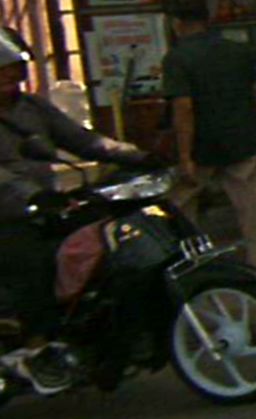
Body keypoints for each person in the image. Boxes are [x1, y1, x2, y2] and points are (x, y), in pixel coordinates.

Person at [0, 26, 161, 394]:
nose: (9, 80)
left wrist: (137, 155)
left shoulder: (33, 107)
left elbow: (84, 141)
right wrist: (32, 196)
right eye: (1, 74)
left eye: (14, 72)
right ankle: (38, 348)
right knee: (32, 261)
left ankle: (105, 329)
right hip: (9, 216)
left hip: (41, 207)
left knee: (105, 234)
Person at [162, 0, 256, 277]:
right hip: (239, 137)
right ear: (208, 20)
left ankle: (189, 261)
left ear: (176, 23)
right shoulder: (236, 51)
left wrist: (184, 155)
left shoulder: (177, 58)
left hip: (202, 142)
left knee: (181, 202)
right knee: (251, 204)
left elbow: (184, 108)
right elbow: (252, 93)